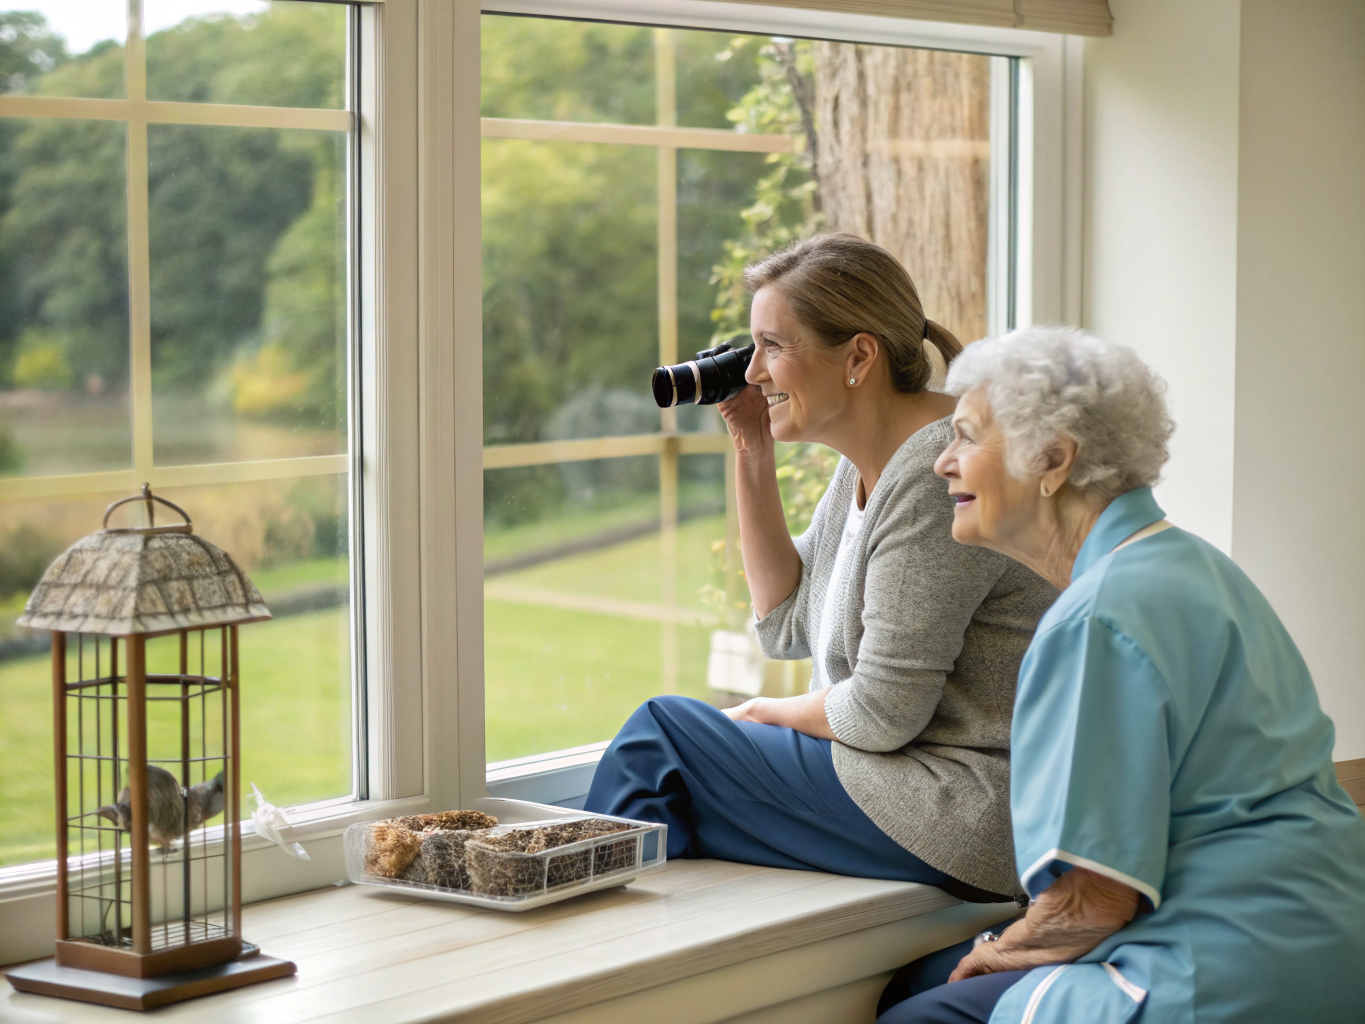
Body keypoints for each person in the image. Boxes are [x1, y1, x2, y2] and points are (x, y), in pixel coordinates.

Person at [877, 325, 1365, 1023]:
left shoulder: (1095, 616)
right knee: (922, 979)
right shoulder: (1194, 564)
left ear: (1052, 458)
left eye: (963, 436)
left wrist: (993, 952)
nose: (940, 464)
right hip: (1326, 946)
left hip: (1225, 973)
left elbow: (1093, 902)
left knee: (918, 1012)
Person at [584, 234, 1058, 902]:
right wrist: (751, 452)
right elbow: (785, 626)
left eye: (773, 347)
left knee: (660, 740)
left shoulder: (935, 474)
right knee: (668, 783)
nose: (752, 373)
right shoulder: (868, 465)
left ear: (857, 356)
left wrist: (759, 714)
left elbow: (880, 714)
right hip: (904, 783)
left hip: (961, 808)